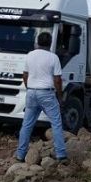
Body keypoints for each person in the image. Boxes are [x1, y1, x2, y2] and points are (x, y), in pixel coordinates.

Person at [15, 32, 68, 162]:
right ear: (50, 43)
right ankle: (61, 155)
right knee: (56, 123)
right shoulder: (53, 57)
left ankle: (20, 155)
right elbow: (57, 80)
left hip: (32, 92)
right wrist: (60, 97)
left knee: (27, 125)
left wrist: (30, 88)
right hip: (47, 93)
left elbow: (25, 75)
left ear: (37, 42)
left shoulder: (30, 55)